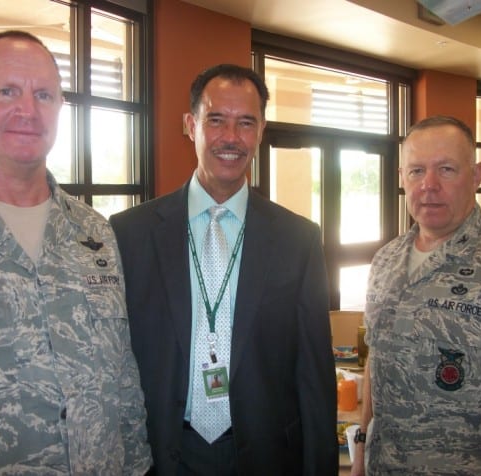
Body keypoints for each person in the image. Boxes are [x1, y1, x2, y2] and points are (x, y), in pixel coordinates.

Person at [0, 31, 151, 474]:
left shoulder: (94, 233)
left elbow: (122, 376)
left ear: (61, 107)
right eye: (7, 91)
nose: (28, 110)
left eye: (44, 94)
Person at [110, 63, 338, 475]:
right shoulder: (130, 233)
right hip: (162, 451)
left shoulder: (298, 239)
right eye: (216, 120)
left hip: (266, 454)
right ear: (190, 125)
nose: (231, 138)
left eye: (245, 123)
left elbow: (314, 376)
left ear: (261, 130)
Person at [351, 115, 481, 475]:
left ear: (476, 176)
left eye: (446, 169)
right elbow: (375, 359)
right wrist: (362, 446)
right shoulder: (386, 260)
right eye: (416, 171)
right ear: (401, 178)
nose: (429, 185)